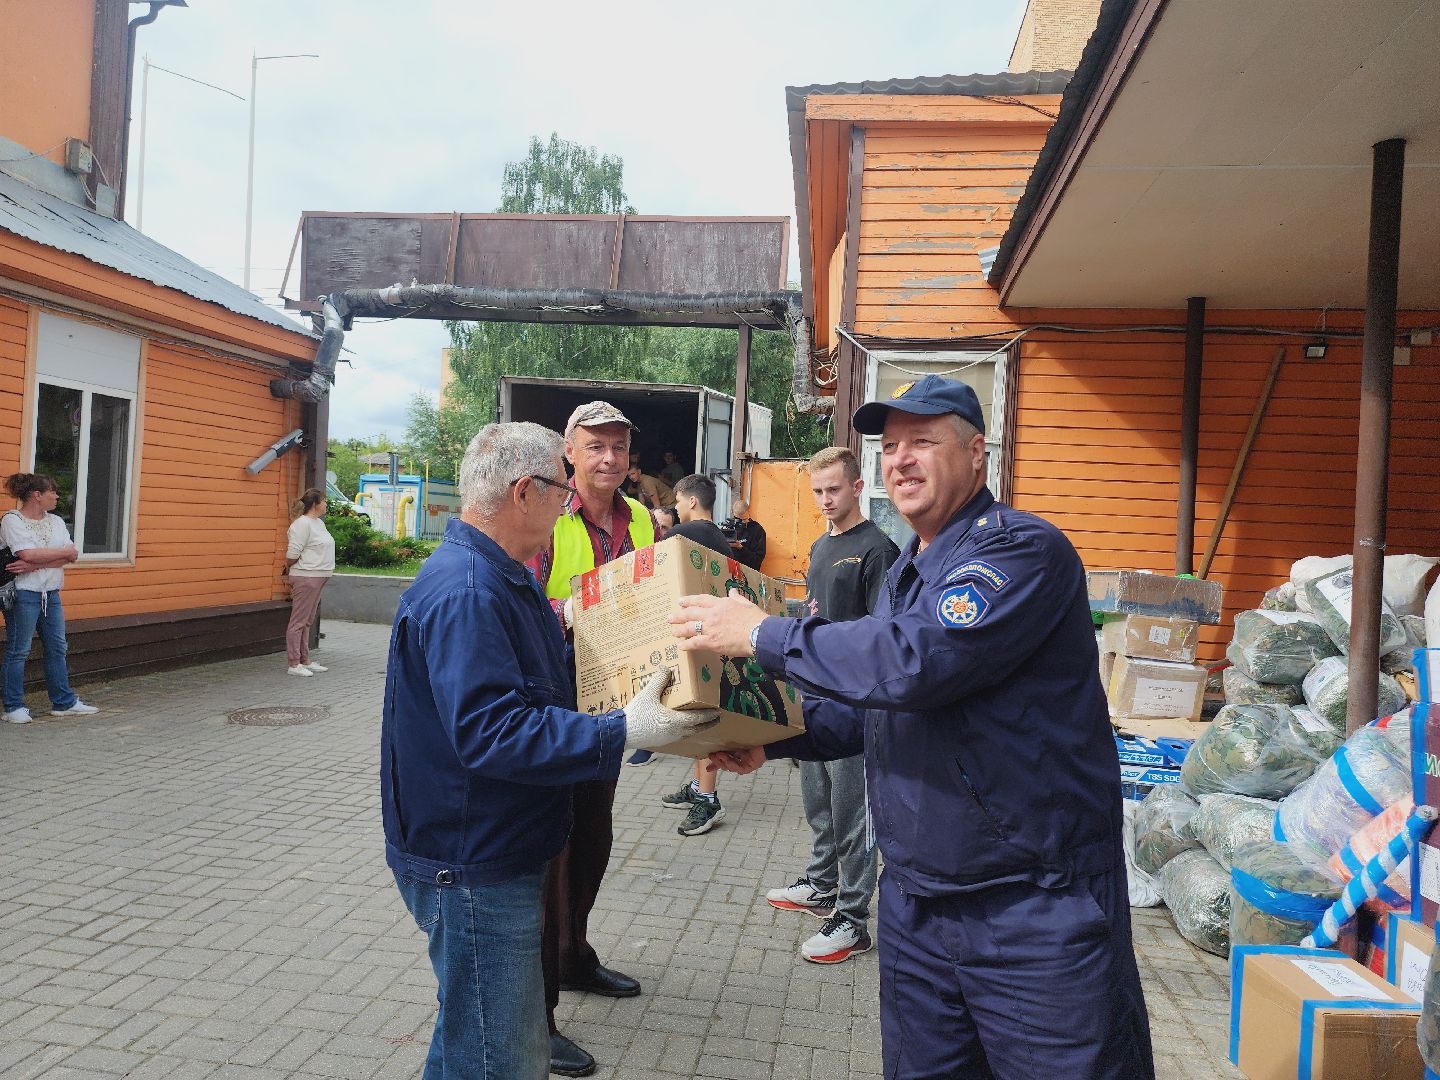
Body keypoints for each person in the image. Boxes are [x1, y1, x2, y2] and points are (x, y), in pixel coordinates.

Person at [669, 375, 1153, 1080]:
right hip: (919, 909)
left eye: (923, 441)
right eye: (890, 446)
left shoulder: (1020, 553)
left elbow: (919, 661)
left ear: (976, 452)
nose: (900, 460)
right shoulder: (907, 575)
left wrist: (764, 635)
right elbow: (877, 707)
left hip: (1029, 911)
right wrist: (773, 740)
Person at [382, 421, 714, 1080]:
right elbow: (494, 732)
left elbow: (540, 683)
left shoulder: (499, 577)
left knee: (468, 1039)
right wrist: (623, 730)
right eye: (562, 491)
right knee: (502, 1057)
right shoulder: (471, 592)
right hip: (472, 862)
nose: (568, 505)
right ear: (526, 491)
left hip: (485, 846)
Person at [525, 400, 654, 1078]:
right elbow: (514, 596)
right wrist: (565, 610)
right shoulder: (549, 513)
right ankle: (535, 1018)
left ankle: (575, 956)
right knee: (550, 851)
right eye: (595, 446)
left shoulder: (636, 520)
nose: (609, 458)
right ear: (568, 453)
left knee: (594, 834)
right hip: (551, 701)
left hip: (609, 701)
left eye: (619, 447)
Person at [764, 446, 898, 964]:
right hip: (813, 699)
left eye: (833, 490)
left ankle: (854, 917)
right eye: (817, 491)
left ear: (857, 487)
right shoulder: (820, 546)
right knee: (818, 804)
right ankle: (821, 885)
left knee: (853, 815)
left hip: (854, 705)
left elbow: (881, 637)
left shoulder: (877, 549)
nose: (825, 499)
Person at [654, 473, 734, 835]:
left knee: (700, 716)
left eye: (677, 498)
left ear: (690, 501)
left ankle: (708, 799)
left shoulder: (679, 536)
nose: (673, 505)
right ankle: (697, 786)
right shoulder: (719, 536)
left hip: (692, 634)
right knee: (701, 710)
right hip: (714, 633)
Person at [1, 473, 97, 725]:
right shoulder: (12, 520)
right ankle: (13, 707)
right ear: (37, 495)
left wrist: (34, 564)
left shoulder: (56, 521)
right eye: (52, 492)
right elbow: (26, 552)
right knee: (18, 649)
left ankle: (63, 702)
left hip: (51, 593)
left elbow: (71, 555)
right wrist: (56, 556)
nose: (57, 496)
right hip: (23, 593)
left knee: (57, 647)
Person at [283, 487, 335, 677]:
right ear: (315, 504)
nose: (326, 504)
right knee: (298, 621)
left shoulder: (318, 524)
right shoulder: (302, 524)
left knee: (307, 621)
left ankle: (305, 660)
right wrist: (290, 568)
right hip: (307, 577)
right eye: (324, 500)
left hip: (318, 576)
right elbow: (292, 554)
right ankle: (294, 663)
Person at [720, 497, 767, 571]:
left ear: (749, 511)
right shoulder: (728, 527)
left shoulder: (757, 530)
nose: (740, 523)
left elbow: (757, 561)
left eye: (744, 519)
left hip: (748, 574)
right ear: (733, 512)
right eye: (737, 519)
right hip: (728, 571)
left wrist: (740, 548)